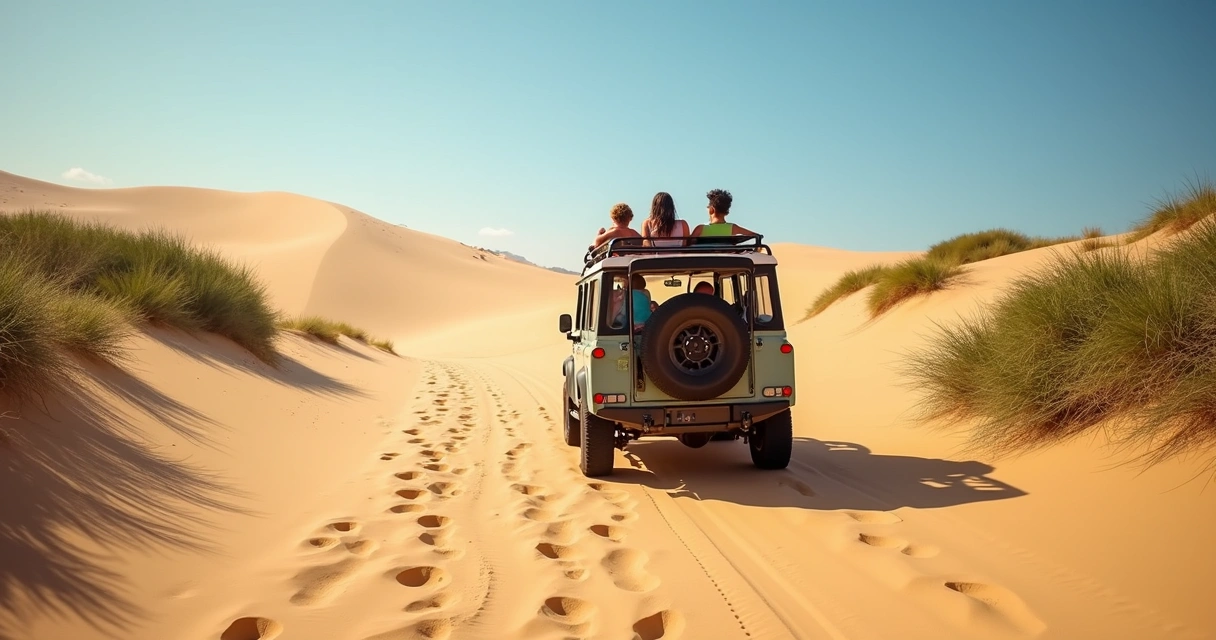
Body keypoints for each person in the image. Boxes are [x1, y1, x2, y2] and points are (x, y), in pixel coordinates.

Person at [690, 189, 756, 242]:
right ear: (726, 212)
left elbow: (688, 244)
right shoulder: (732, 227)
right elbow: (755, 235)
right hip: (726, 255)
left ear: (711, 209)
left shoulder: (700, 229)